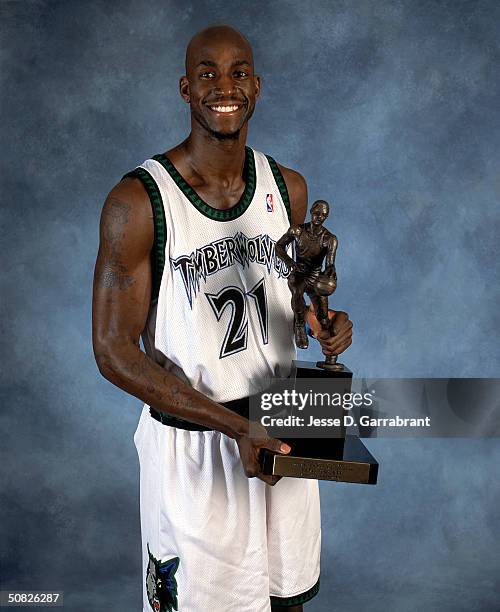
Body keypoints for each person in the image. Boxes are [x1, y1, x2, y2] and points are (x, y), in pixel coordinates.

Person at [92, 24, 353, 612]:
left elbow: (296, 287)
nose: (223, 86)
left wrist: (321, 320)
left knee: (286, 601)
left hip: (282, 429)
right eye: (207, 73)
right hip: (199, 449)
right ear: (186, 88)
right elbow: (113, 351)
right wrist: (235, 428)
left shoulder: (286, 188)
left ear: (256, 87)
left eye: (238, 73)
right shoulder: (138, 203)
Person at [275, 200, 338, 350]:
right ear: (311, 211)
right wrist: (288, 261)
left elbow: (330, 263)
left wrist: (331, 272)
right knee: (297, 291)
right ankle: (300, 325)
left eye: (323, 215)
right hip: (299, 273)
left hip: (316, 277)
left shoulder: (330, 239)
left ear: (326, 217)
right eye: (317, 213)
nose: (319, 217)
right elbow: (279, 246)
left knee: (323, 317)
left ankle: (330, 350)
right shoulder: (297, 231)